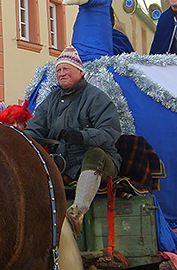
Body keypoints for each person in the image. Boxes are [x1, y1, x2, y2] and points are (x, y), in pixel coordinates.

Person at [24, 46, 121, 234]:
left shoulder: (96, 98)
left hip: (100, 163)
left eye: (66, 69)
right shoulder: (51, 100)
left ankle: (76, 213)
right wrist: (21, 139)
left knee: (94, 154)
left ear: (79, 71)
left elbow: (111, 132)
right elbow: (36, 127)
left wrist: (82, 136)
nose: (61, 74)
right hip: (64, 163)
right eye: (58, 70)